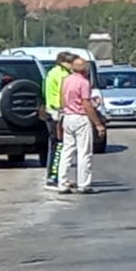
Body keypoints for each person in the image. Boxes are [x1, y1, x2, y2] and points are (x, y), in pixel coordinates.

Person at [57, 54, 107, 195]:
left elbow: (62, 99)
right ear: (84, 70)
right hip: (80, 118)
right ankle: (83, 184)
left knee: (67, 151)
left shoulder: (65, 80)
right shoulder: (84, 83)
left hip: (68, 117)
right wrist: (97, 123)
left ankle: (62, 183)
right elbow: (86, 103)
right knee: (84, 152)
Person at [43, 50, 74, 190]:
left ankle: (57, 176)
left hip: (50, 110)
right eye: (69, 62)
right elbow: (66, 94)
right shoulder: (62, 74)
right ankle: (53, 178)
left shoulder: (51, 72)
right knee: (59, 146)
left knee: (56, 145)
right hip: (58, 112)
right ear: (62, 62)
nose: (72, 65)